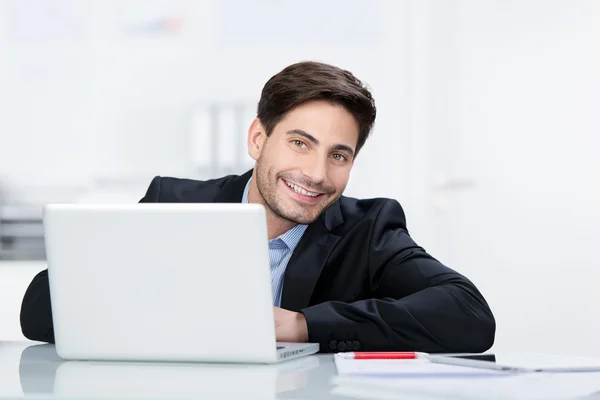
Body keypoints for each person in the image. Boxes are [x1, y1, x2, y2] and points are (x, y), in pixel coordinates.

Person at [20, 61, 495, 353]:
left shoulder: (368, 228)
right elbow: (41, 312)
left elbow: (469, 314)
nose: (316, 173)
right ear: (257, 138)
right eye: (299, 143)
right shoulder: (176, 202)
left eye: (338, 155)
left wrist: (304, 325)